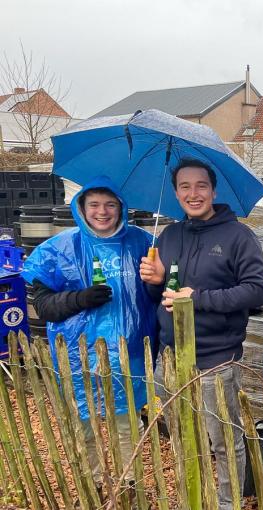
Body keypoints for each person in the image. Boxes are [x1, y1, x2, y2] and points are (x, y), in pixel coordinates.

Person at [139, 158, 263, 510]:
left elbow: (258, 291)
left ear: (213, 190)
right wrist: (154, 282)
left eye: (200, 186)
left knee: (224, 440)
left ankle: (228, 504)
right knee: (183, 436)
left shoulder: (238, 236)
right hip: (171, 359)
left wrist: (198, 298)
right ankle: (192, 498)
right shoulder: (169, 235)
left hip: (215, 361)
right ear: (176, 191)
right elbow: (163, 298)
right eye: (184, 186)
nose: (192, 193)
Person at [22, 176, 156, 496]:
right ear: (81, 207)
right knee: (85, 426)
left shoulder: (142, 243)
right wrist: (78, 299)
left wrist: (156, 280)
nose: (102, 211)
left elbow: (157, 293)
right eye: (94, 204)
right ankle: (96, 483)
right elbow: (42, 306)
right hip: (77, 353)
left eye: (110, 204)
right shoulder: (60, 248)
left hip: (128, 351)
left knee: (126, 426)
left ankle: (129, 484)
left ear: (121, 208)